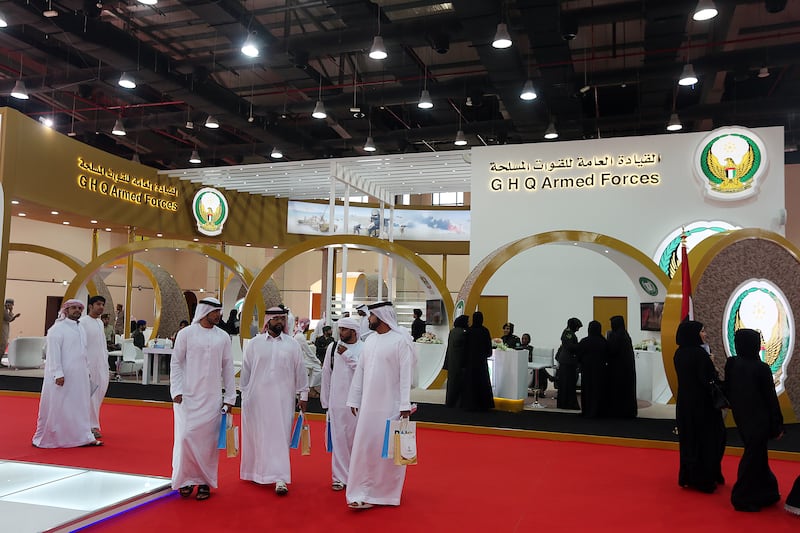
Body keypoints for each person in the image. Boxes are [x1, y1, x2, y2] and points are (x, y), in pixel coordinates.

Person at [346, 301, 415, 510]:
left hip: (391, 407)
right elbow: (360, 373)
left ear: (381, 316)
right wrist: (354, 399)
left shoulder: (400, 342)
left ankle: (385, 493)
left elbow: (406, 376)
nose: (368, 319)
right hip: (368, 407)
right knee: (365, 448)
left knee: (387, 452)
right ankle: (361, 490)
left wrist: (404, 404)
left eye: (371, 316)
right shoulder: (370, 341)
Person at [170, 297, 236, 501]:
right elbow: (176, 363)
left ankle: (204, 482)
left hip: (212, 398)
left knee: (208, 443)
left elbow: (228, 367)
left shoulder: (223, 337)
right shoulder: (186, 334)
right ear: (205, 311)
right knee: (186, 438)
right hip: (187, 397)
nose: (219, 315)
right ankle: (186, 480)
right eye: (215, 311)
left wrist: (230, 397)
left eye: (220, 311)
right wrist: (177, 390)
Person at [240, 306, 308, 496]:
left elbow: (300, 372)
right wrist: (243, 396)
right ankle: (257, 472)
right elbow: (245, 372)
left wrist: (303, 395)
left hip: (283, 399)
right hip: (256, 399)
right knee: (259, 436)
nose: (279, 322)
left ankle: (280, 478)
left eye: (282, 318)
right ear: (267, 320)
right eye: (276, 318)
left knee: (280, 436)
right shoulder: (254, 344)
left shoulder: (292, 344)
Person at [725, 328, 784, 512]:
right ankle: (741, 497)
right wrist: (777, 425)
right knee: (753, 457)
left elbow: (729, 390)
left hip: (742, 417)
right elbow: (770, 399)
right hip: (759, 419)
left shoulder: (732, 363)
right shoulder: (761, 368)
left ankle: (766, 492)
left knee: (758, 456)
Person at [32, 299, 100, 448]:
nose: (77, 310)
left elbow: (84, 352)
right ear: (66, 310)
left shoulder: (81, 328)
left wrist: (87, 371)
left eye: (79, 308)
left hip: (80, 375)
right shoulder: (57, 329)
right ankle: (53, 438)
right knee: (59, 406)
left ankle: (82, 437)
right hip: (63, 376)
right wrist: (58, 374)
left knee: (80, 406)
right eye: (73, 308)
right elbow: (53, 354)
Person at [673, 320, 726, 494]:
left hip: (685, 403)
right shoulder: (700, 355)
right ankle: (704, 479)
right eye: (702, 331)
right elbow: (707, 380)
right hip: (702, 405)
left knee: (689, 440)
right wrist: (711, 364)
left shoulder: (679, 353)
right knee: (708, 440)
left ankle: (688, 476)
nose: (705, 334)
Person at [321, 317, 363, 491]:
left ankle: (355, 476)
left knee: (356, 440)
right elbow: (326, 374)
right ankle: (339, 477)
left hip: (357, 403)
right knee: (338, 440)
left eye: (345, 329)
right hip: (337, 403)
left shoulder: (365, 348)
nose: (341, 332)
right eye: (340, 329)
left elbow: (365, 371)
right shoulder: (332, 348)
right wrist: (326, 402)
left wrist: (347, 354)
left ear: (354, 331)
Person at [80, 295, 110, 439]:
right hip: (88, 366)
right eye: (98, 304)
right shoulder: (82, 322)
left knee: (98, 396)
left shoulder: (99, 323)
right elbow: (82, 346)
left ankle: (90, 424)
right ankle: (91, 426)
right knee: (90, 396)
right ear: (90, 306)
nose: (101, 307)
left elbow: (102, 346)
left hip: (101, 366)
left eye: (102, 304)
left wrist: (105, 363)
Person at [462, 311, 494, 412]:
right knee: (482, 382)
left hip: (470, 362)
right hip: (481, 362)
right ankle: (484, 404)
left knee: (471, 383)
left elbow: (465, 347)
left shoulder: (469, 331)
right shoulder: (485, 331)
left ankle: (471, 404)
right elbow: (489, 348)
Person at [606, 315, 637, 418]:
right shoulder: (625, 334)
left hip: (618, 370)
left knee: (618, 391)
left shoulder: (616, 336)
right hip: (627, 368)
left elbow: (612, 351)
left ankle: (618, 411)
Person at [576, 320, 608, 418]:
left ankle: (586, 411)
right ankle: (597, 412)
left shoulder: (584, 341)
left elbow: (578, 355)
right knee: (598, 390)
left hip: (587, 369)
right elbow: (607, 355)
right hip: (600, 370)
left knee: (587, 390)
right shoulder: (603, 342)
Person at [556, 317, 582, 410]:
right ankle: (568, 403)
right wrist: (581, 345)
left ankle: (566, 403)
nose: (578, 329)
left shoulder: (568, 332)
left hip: (567, 361)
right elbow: (569, 346)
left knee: (568, 384)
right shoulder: (568, 333)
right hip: (567, 361)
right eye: (577, 327)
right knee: (567, 384)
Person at [445, 315, 470, 408]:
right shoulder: (463, 333)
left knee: (451, 383)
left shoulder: (452, 332)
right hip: (459, 362)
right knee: (459, 384)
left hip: (452, 362)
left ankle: (450, 402)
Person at [294, 317, 322, 398]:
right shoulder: (300, 336)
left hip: (300, 358)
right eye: (308, 325)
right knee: (318, 368)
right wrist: (318, 361)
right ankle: (311, 387)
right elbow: (309, 352)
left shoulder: (298, 334)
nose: (309, 328)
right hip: (299, 361)